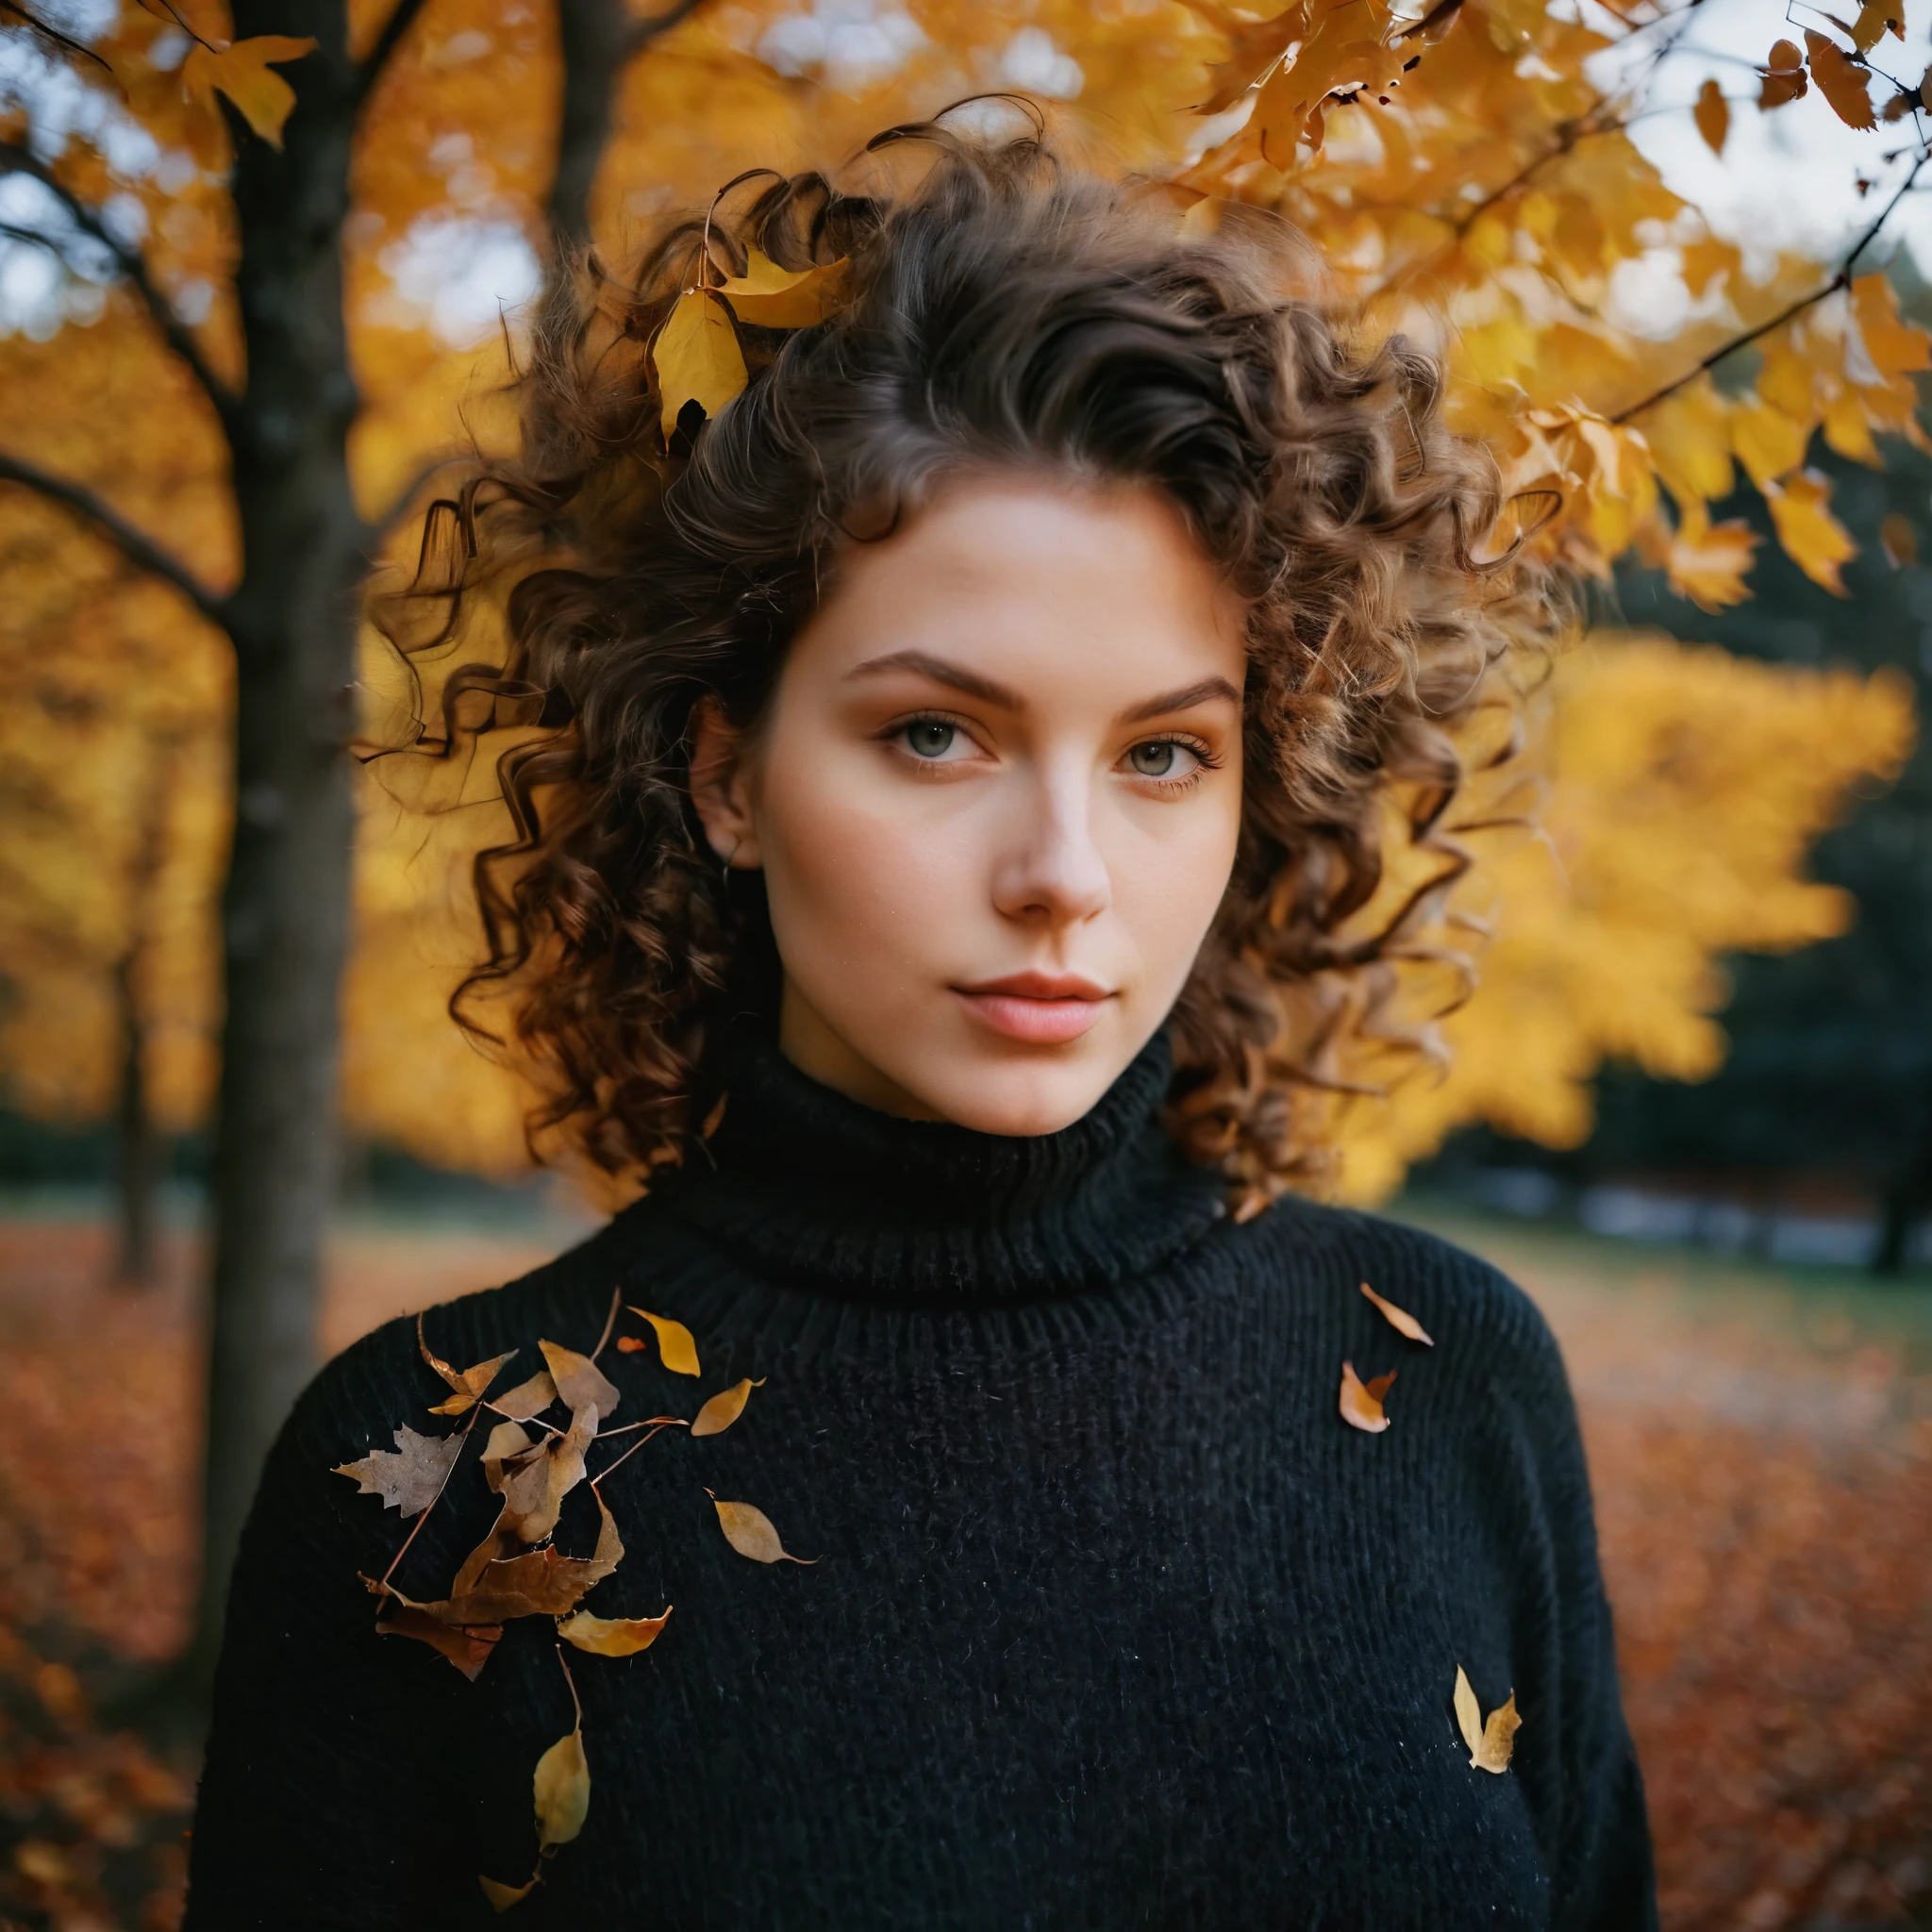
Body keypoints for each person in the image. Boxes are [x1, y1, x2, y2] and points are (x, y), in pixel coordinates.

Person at [185, 121, 1656, 1930]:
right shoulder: (435, 1473)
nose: (1063, 874)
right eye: (936, 734)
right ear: (727, 777)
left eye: (1163, 755)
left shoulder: (1451, 1380)